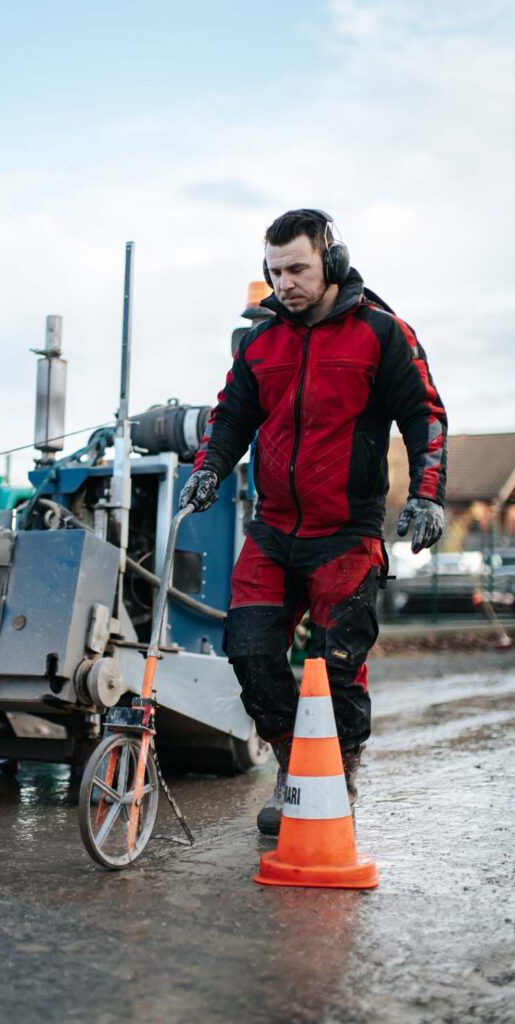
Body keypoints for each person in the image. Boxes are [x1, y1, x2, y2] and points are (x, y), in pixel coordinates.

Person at [180, 208, 447, 835]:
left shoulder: (382, 334)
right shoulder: (260, 343)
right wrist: (209, 467)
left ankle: (340, 779)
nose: (285, 284)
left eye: (297, 268)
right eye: (274, 272)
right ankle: (291, 766)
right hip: (273, 533)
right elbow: (229, 419)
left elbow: (425, 416)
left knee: (337, 666)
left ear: (332, 261)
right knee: (247, 652)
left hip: (345, 537)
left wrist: (429, 494)